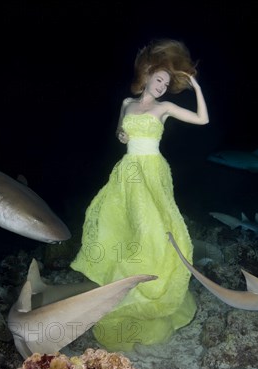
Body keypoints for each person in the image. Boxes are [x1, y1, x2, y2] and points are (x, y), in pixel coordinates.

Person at [69, 38, 209, 352]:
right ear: (145, 76)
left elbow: (203, 120)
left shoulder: (166, 107)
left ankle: (152, 293)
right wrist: (121, 134)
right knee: (121, 231)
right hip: (127, 174)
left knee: (156, 234)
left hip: (153, 173)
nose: (161, 86)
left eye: (166, 82)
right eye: (158, 79)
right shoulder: (125, 104)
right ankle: (122, 291)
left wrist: (196, 87)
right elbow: (122, 135)